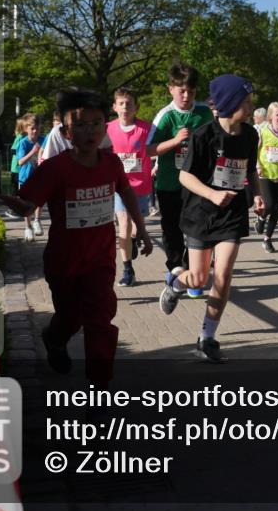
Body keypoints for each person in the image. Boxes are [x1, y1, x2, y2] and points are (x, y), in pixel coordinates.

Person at [0, 88, 153, 388]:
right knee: (70, 318)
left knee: (99, 321)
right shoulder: (55, 168)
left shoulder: (111, 164)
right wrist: (21, 207)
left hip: (100, 260)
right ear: (66, 132)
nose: (90, 131)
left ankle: (99, 391)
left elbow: (126, 192)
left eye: (97, 123)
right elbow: (29, 202)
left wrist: (142, 231)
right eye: (81, 124)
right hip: (64, 262)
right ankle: (53, 338)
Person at [175, 74, 263, 363]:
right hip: (201, 214)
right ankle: (175, 283)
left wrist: (258, 194)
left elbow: (250, 170)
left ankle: (207, 337)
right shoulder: (203, 136)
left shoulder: (251, 135)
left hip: (232, 215)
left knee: (223, 275)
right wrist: (212, 195)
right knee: (198, 278)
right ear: (229, 103)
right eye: (245, 102)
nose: (250, 108)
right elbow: (184, 175)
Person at [153, 64, 214, 305]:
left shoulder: (204, 113)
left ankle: (192, 274)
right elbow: (148, 150)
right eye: (181, 91)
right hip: (170, 184)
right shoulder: (165, 116)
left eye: (191, 91)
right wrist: (174, 140)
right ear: (171, 89)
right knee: (172, 230)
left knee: (197, 230)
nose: (187, 96)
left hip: (197, 184)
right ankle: (176, 268)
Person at [107, 87, 157, 287]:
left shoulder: (147, 129)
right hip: (119, 186)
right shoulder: (107, 128)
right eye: (121, 103)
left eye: (129, 103)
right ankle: (128, 270)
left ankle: (135, 239)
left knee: (137, 225)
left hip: (141, 185)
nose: (125, 107)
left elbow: (157, 149)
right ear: (114, 107)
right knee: (124, 224)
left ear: (136, 107)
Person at [256, 102, 278, 253]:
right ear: (270, 116)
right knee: (269, 204)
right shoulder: (263, 131)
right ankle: (261, 218)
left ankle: (267, 239)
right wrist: (257, 165)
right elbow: (255, 150)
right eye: (277, 114)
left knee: (276, 209)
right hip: (265, 172)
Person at [15, 113, 46, 241]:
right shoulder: (22, 143)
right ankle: (27, 227)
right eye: (32, 128)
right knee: (26, 204)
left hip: (39, 176)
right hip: (25, 177)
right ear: (26, 129)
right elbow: (20, 162)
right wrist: (33, 151)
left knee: (39, 200)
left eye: (37, 128)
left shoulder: (44, 140)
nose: (35, 131)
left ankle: (37, 221)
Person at [9, 117, 26, 197]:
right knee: (15, 188)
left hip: (20, 167)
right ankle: (14, 206)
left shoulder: (23, 137)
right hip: (16, 167)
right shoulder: (20, 137)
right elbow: (13, 150)